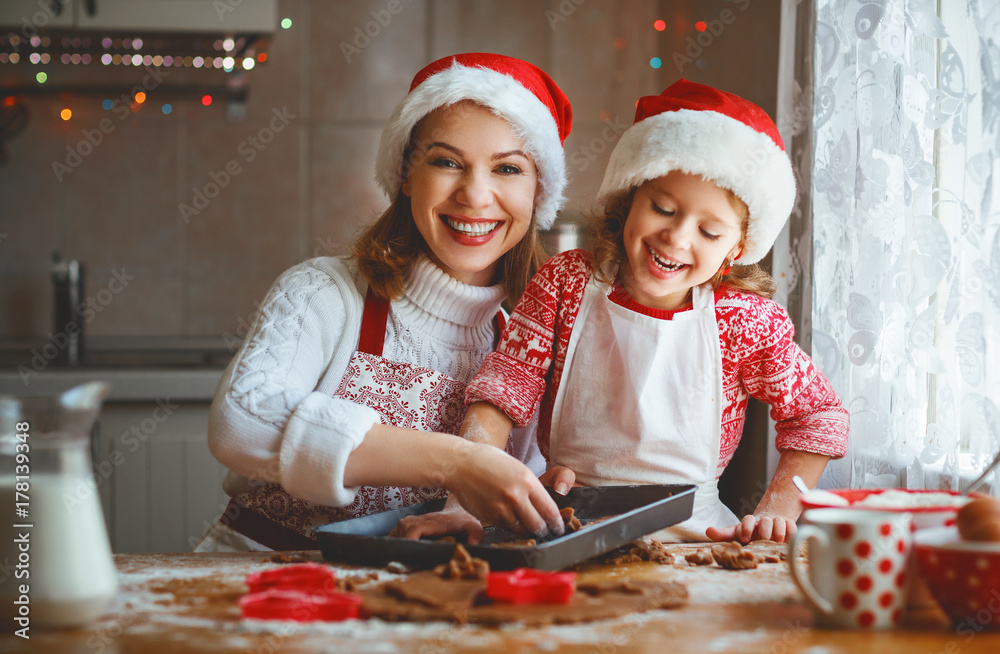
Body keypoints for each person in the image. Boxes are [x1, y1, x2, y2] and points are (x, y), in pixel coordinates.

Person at [413, 80, 850, 544]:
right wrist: (461, 504)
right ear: (629, 200)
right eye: (663, 208)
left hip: (696, 542)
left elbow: (817, 417)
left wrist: (777, 511)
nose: (678, 238)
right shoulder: (566, 283)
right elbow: (504, 389)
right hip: (569, 531)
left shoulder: (745, 321)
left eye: (709, 231)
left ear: (736, 248)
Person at [194, 53, 573, 551]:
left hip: (409, 603)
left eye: (507, 168)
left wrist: (542, 489)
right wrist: (459, 462)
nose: (476, 196)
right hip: (264, 584)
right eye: (446, 162)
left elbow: (500, 506)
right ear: (405, 174)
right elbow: (241, 422)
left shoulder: (523, 348)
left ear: (537, 193)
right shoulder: (324, 293)